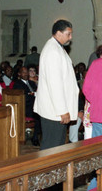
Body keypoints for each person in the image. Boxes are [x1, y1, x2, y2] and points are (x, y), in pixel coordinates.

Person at [33, 19, 79, 150]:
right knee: (51, 147)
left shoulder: (57, 48)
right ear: (58, 33)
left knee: (57, 146)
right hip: (54, 111)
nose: (71, 37)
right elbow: (55, 84)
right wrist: (62, 111)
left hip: (55, 110)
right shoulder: (53, 51)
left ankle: (54, 170)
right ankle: (46, 170)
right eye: (68, 34)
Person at [13, 66, 40, 146]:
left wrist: (34, 94)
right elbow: (24, 97)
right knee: (37, 115)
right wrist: (33, 94)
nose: (26, 74)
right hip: (25, 107)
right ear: (19, 74)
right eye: (23, 72)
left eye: (26, 72)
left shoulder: (31, 83)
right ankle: (35, 138)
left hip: (35, 104)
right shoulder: (17, 84)